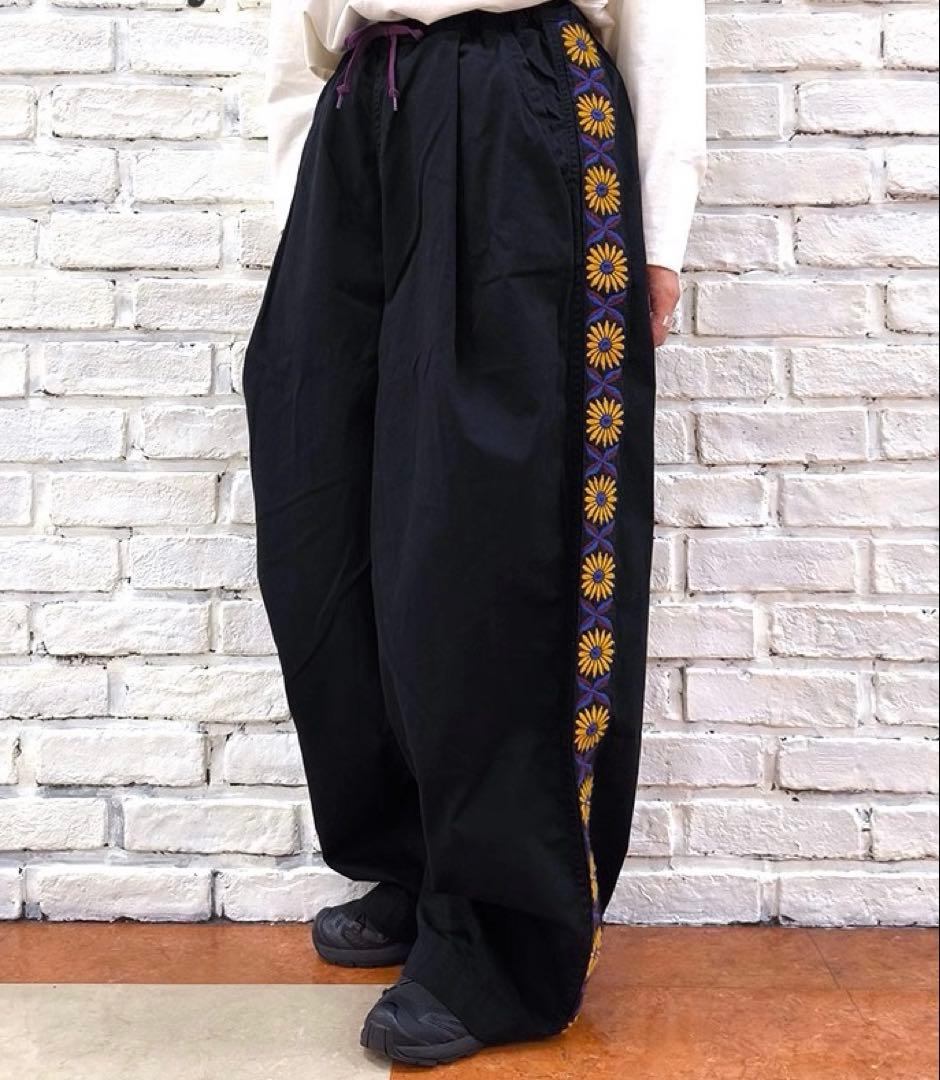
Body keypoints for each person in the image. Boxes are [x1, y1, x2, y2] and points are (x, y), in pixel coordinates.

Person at [244, 0, 705, 1067]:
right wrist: (305, 186)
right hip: (360, 115)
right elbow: (293, 34)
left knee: (494, 536)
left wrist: (660, 230)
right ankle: (417, 862)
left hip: (519, 111)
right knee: (325, 509)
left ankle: (504, 941)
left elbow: (660, 18)